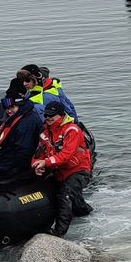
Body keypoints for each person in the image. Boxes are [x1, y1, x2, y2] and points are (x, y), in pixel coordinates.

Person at [32, 100, 93, 236]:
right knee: (71, 197)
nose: (48, 118)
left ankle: (59, 232)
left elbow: (66, 155)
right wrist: (36, 165)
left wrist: (45, 162)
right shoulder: (45, 133)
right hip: (59, 170)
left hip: (78, 169)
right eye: (46, 115)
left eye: (51, 115)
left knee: (65, 195)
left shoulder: (72, 130)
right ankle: (84, 212)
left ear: (61, 115)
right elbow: (38, 153)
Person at [0, 84, 44, 181]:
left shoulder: (26, 123)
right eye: (6, 108)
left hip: (12, 167)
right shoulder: (18, 117)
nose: (8, 111)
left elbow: (24, 150)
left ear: (20, 104)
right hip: (5, 160)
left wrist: (13, 171)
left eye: (11, 107)